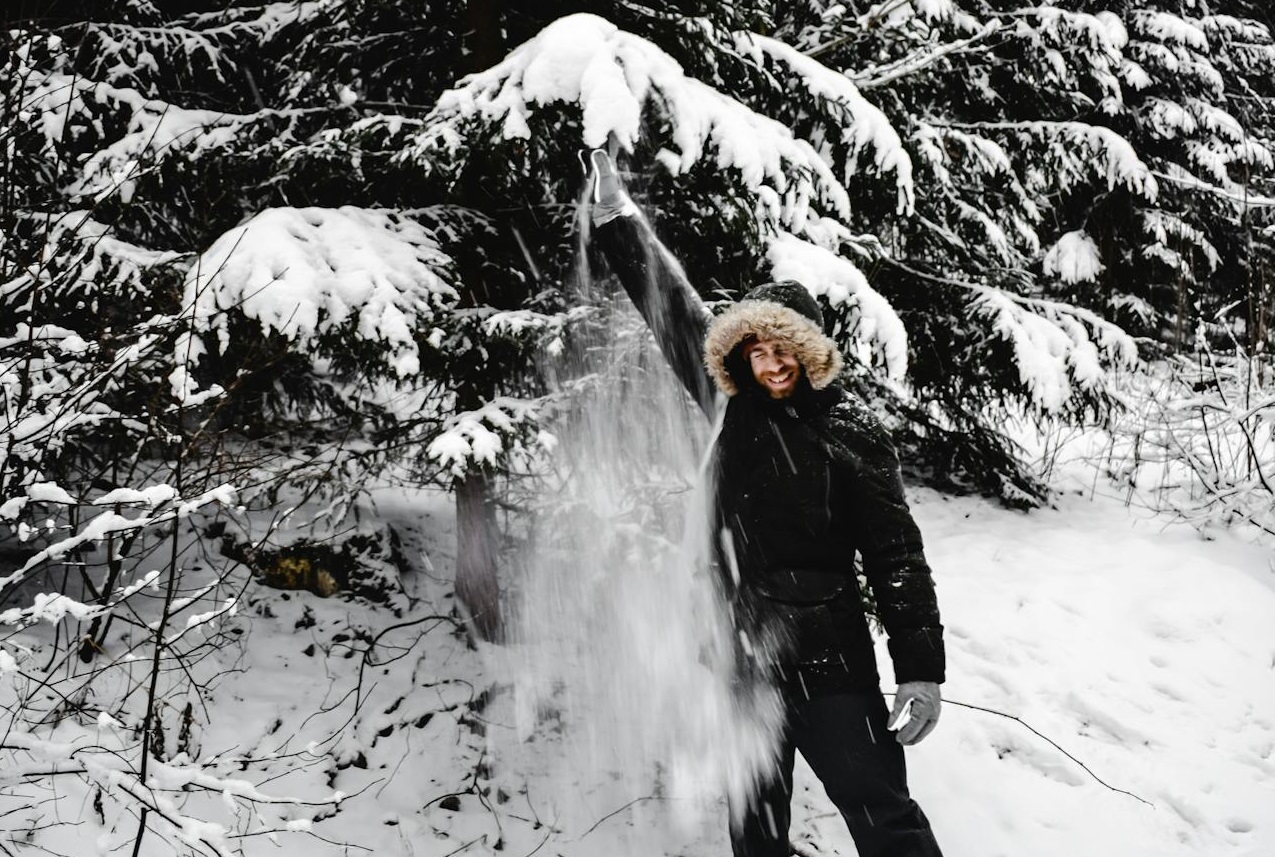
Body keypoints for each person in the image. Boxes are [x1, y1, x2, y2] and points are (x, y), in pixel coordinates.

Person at [585, 150, 946, 857]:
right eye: (758, 352)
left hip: (829, 664)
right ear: (741, 357)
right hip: (741, 660)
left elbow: (897, 558)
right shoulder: (730, 409)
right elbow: (671, 308)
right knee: (755, 833)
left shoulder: (851, 435)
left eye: (786, 350)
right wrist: (615, 217)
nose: (773, 363)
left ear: (810, 353)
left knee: (883, 816)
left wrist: (920, 669)